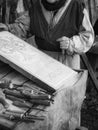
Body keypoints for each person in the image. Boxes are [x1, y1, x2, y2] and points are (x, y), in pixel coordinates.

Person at [0, 0, 94, 70]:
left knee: (63, 93)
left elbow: (88, 36)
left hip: (66, 62)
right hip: (41, 60)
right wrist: (7, 28)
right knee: (43, 93)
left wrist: (71, 43)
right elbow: (23, 27)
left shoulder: (76, 6)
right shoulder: (37, 6)